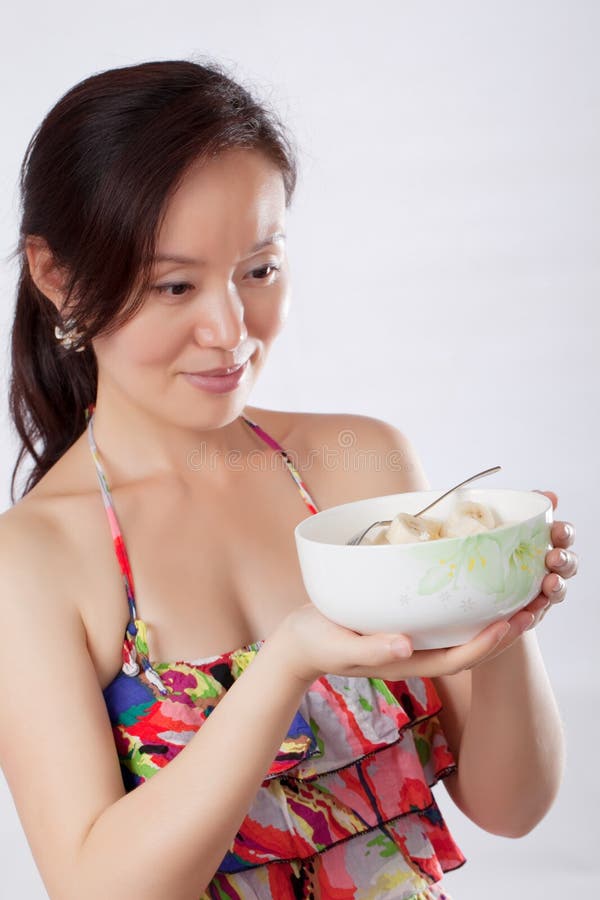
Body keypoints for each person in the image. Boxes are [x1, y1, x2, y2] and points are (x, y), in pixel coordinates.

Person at [0, 58, 578, 900]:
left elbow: (513, 807)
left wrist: (499, 593)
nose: (231, 331)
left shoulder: (360, 463)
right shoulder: (33, 559)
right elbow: (100, 888)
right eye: (175, 284)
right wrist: (288, 664)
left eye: (260, 270)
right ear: (58, 278)